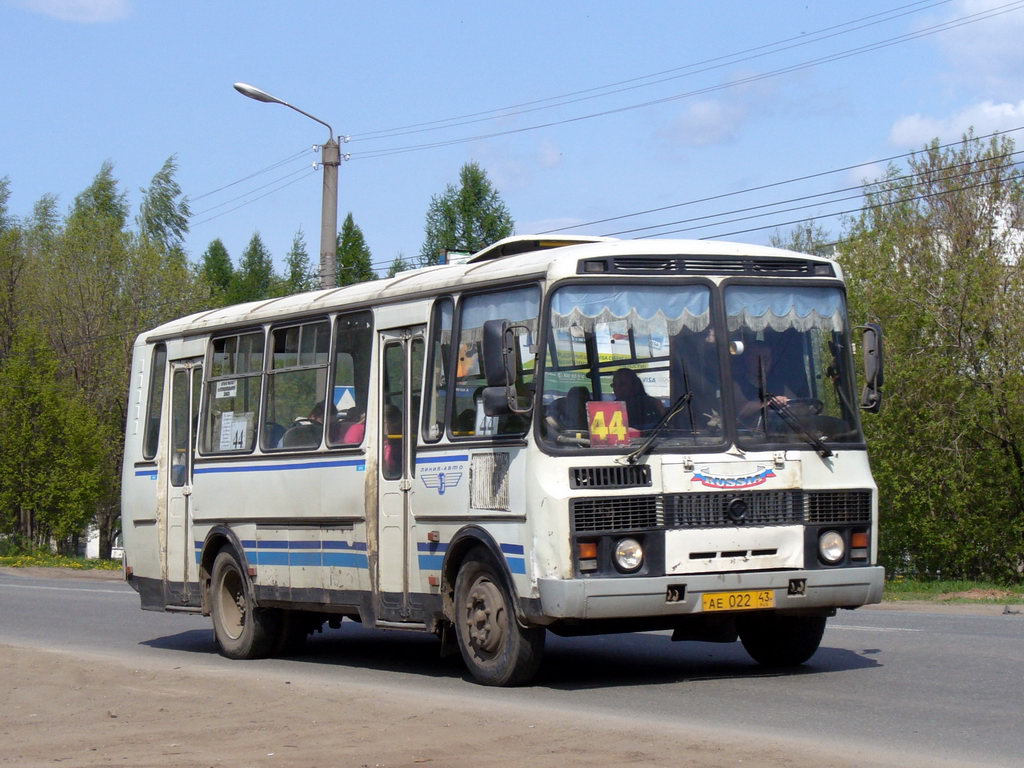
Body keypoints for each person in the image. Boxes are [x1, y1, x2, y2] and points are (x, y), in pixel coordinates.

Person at [733, 341, 792, 428]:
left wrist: (800, 408)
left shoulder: (778, 384)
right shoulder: (736, 384)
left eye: (766, 358)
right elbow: (742, 410)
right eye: (757, 358)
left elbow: (796, 403)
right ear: (747, 359)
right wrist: (771, 403)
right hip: (746, 438)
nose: (762, 362)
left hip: (778, 436)